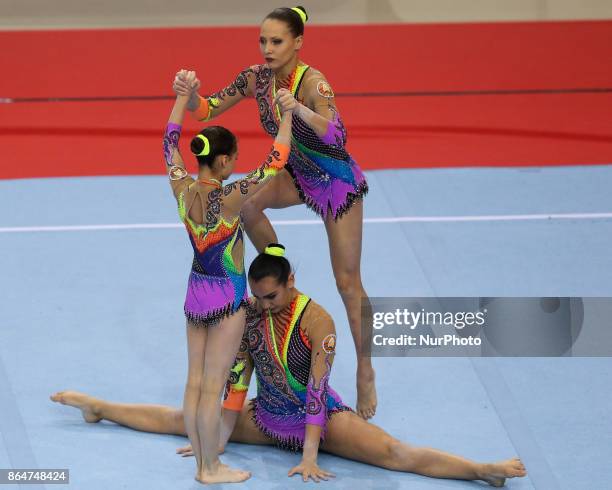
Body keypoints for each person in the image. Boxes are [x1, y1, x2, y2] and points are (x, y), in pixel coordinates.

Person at [51, 246, 527, 487]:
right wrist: (216, 440)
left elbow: (317, 394)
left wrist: (309, 456)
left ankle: (480, 470)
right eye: (257, 297)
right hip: (268, 415)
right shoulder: (252, 316)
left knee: (394, 454)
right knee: (187, 422)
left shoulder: (317, 321)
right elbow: (237, 382)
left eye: (271, 296)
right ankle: (100, 407)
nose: (263, 305)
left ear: (291, 281)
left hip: (317, 419)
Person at [173, 5, 377, 419]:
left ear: (298, 43)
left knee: (347, 282)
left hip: (336, 182)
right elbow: (208, 110)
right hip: (297, 173)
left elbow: (337, 134)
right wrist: (190, 95)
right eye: (263, 40)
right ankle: (278, 262)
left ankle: (366, 371)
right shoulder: (255, 78)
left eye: (276, 41)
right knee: (245, 202)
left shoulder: (313, 84)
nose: (267, 48)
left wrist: (298, 109)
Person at [163, 70, 294, 483]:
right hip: (226, 298)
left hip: (194, 292)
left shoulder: (181, 187)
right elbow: (275, 163)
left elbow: (168, 142)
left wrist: (182, 99)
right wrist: (287, 115)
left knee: (195, 381)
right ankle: (209, 467)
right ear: (222, 162)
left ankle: (202, 453)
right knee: (215, 384)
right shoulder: (231, 198)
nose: (236, 165)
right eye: (234, 159)